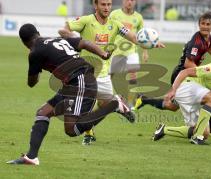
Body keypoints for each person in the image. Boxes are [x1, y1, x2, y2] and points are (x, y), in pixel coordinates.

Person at [6, 23, 134, 165]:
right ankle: (31, 157)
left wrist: (36, 65)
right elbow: (84, 43)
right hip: (74, 82)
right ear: (38, 32)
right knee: (43, 112)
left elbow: (32, 83)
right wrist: (103, 54)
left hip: (80, 80)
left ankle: (114, 105)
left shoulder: (35, 52)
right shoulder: (56, 39)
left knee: (71, 129)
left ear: (24, 42)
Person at [58, 0, 165, 145]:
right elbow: (65, 28)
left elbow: (134, 38)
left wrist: (151, 42)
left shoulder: (115, 25)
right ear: (95, 5)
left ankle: (117, 105)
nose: (107, 7)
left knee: (104, 106)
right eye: (103, 4)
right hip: (86, 73)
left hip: (103, 74)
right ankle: (89, 133)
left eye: (108, 4)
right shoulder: (87, 21)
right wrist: (73, 38)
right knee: (85, 109)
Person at [135, 11, 211, 136]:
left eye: (208, 24)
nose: (205, 26)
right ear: (198, 24)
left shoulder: (207, 38)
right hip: (182, 76)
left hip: (190, 75)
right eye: (203, 23)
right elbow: (187, 64)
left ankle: (145, 100)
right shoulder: (196, 42)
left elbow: (210, 47)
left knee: (173, 106)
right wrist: (202, 74)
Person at [153, 62, 211, 145]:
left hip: (198, 98)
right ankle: (197, 137)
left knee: (205, 133)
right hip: (186, 87)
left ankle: (163, 130)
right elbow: (185, 72)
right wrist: (173, 90)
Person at [109, 0, 148, 107]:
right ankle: (117, 97)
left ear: (135, 2)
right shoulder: (115, 14)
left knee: (133, 75)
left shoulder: (139, 18)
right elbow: (108, 29)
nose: (129, 2)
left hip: (132, 51)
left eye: (132, 0)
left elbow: (142, 36)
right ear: (123, 1)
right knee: (111, 76)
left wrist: (145, 52)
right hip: (116, 50)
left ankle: (134, 97)